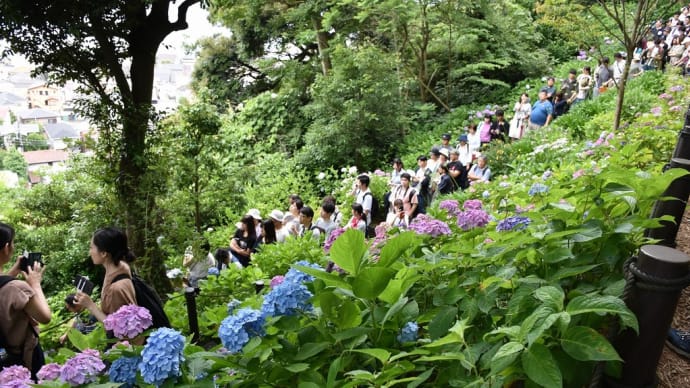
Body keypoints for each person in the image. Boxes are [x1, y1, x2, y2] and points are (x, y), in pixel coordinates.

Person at [0, 222, 51, 378]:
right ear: (7, 247)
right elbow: (45, 317)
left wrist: (12, 273)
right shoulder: (17, 288)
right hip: (21, 360)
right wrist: (35, 284)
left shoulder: (9, 285)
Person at [74, 227, 137, 333]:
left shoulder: (116, 288)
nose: (90, 252)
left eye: (91, 248)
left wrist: (90, 305)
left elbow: (119, 329)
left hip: (124, 346)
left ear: (103, 253)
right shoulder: (120, 267)